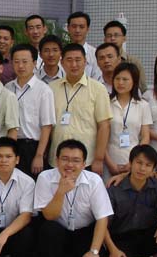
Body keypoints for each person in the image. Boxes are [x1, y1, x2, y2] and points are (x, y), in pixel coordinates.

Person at [34, 139, 113, 257]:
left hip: (83, 233)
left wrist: (94, 252)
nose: (70, 165)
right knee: (48, 229)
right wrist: (60, 191)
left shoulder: (94, 181)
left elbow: (102, 219)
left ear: (84, 164)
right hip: (58, 232)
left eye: (76, 160)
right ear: (57, 160)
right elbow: (49, 216)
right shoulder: (45, 177)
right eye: (65, 159)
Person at [48, 44, 112, 174]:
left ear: (85, 62)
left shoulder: (98, 89)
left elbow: (104, 126)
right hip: (57, 158)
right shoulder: (51, 88)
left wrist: (99, 159)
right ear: (62, 62)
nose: (74, 64)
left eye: (78, 60)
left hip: (87, 160)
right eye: (69, 60)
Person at [6, 44, 55, 177]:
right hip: (11, 145)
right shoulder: (8, 88)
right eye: (16, 62)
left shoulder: (44, 90)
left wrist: (39, 155)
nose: (20, 66)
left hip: (32, 146)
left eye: (25, 61)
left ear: (34, 63)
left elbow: (47, 126)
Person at [104, 62, 152, 180]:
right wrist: (110, 163)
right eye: (117, 79)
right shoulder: (106, 103)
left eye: (125, 79)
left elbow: (145, 137)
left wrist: (134, 162)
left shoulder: (143, 105)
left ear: (134, 81)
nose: (120, 83)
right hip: (109, 159)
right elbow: (100, 135)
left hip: (133, 161)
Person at [103, 20, 147, 93]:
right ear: (104, 39)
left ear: (124, 38)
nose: (113, 38)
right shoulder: (99, 60)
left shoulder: (133, 62)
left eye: (116, 35)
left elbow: (142, 88)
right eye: (109, 36)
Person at [66, 12, 103, 82]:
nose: (77, 30)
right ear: (68, 28)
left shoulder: (95, 54)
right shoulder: (61, 54)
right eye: (74, 26)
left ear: (87, 29)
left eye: (81, 27)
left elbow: (98, 79)